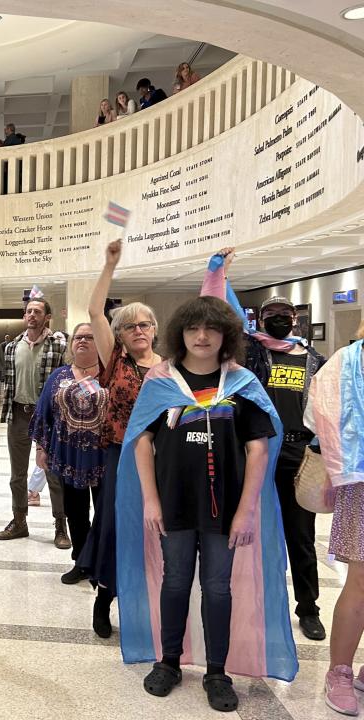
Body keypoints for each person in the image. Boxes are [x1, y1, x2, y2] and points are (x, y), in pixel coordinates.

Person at [129, 297, 284, 712]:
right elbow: (142, 441)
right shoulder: (161, 382)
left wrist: (247, 510)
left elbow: (258, 450)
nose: (202, 336)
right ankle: (169, 662)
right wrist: (150, 500)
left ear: (225, 335)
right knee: (175, 581)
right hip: (174, 505)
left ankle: (217, 672)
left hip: (226, 510)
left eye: (211, 329)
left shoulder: (242, 384)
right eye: (193, 328)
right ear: (180, 334)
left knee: (217, 587)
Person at [205, 250, 327, 640]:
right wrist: (219, 274)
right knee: (246, 529)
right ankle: (250, 602)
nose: (278, 319)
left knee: (300, 535)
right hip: (254, 451)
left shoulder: (314, 359)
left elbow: (326, 408)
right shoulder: (251, 350)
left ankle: (308, 608)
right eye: (270, 314)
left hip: (296, 454)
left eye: (285, 315)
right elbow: (228, 312)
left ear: (294, 321)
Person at [76, 239, 162, 638]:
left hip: (163, 459)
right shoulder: (116, 362)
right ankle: (104, 596)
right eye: (130, 326)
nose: (139, 330)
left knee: (155, 531)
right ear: (120, 335)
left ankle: (146, 603)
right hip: (121, 455)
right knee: (115, 525)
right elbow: (94, 311)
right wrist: (110, 265)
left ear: (155, 330)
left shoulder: (170, 367)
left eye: (144, 324)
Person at [305, 322, 364, 716]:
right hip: (361, 481)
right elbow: (319, 416)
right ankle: (339, 672)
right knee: (361, 581)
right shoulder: (348, 362)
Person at [28, 323, 106, 584]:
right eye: (78, 337)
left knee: (105, 512)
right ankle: (81, 562)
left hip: (105, 457)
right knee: (76, 510)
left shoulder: (110, 374)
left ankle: (102, 562)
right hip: (68, 456)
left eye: (89, 337)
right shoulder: (59, 375)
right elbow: (44, 412)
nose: (82, 341)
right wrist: (41, 447)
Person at [0, 294, 69, 546]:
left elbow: (66, 381)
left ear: (47, 316)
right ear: (24, 316)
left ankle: (60, 525)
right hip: (18, 414)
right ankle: (19, 521)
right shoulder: (12, 347)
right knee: (17, 474)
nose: (32, 315)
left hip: (47, 417)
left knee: (53, 473)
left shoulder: (59, 346)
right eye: (29, 311)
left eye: (38, 311)